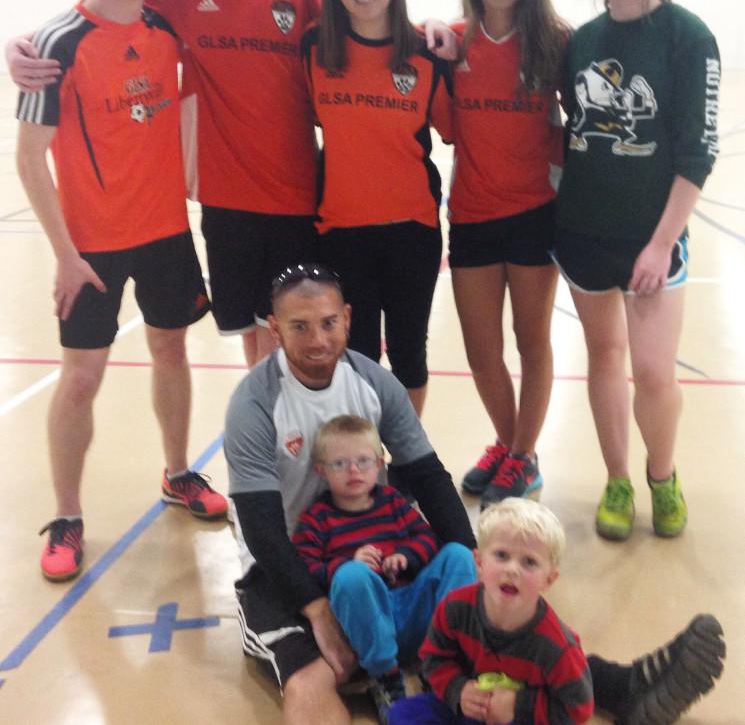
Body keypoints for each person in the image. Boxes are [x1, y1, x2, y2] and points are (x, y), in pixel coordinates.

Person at [223, 263, 724, 725]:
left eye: (328, 322)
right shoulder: (255, 402)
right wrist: (316, 610)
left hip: (378, 554)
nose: (317, 339)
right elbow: (262, 528)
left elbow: (428, 476)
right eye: (300, 327)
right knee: (314, 675)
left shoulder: (372, 382)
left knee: (496, 618)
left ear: (348, 319)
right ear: (274, 328)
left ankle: (625, 687)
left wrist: (473, 561)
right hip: (290, 570)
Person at [7, 0, 321, 368]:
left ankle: (296, 447)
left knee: (297, 338)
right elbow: (104, 5)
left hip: (298, 195)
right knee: (254, 338)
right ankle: (268, 447)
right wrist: (22, 45)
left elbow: (372, 32)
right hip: (225, 200)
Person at [14, 0, 227, 583]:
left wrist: (193, 175)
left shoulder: (168, 31)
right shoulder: (56, 43)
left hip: (166, 233)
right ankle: (68, 515)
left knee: (171, 352)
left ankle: (176, 473)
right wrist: (66, 256)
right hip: (92, 249)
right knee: (80, 379)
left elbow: (194, 96)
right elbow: (28, 155)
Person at [552, 0, 720, 541]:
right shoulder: (581, 43)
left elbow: (695, 154)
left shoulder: (688, 37)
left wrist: (660, 245)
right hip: (583, 233)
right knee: (603, 356)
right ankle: (617, 479)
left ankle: (661, 474)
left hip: (651, 240)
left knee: (652, 372)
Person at [301, 0, 452, 416]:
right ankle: (363, 468)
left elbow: (455, 130)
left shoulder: (427, 53)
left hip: (412, 228)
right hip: (341, 231)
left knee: (409, 354)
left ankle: (406, 462)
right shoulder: (313, 50)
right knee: (356, 356)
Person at [449, 0, 566, 508]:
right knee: (480, 347)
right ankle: (509, 439)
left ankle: (522, 455)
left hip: (533, 215)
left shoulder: (556, 41)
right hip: (471, 213)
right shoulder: (450, 41)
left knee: (531, 340)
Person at [293, 415, 476, 722]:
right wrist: (347, 565)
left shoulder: (392, 501)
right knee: (352, 577)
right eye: (340, 464)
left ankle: (443, 659)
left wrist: (407, 556)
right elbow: (306, 566)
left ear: (379, 464)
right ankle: (385, 677)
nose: (353, 470)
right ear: (321, 471)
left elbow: (426, 538)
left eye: (363, 461)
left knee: (457, 555)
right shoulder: (317, 519)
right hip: (368, 626)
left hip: (414, 612)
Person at [389, 498, 594, 724]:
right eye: (501, 555)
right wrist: (458, 690)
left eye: (529, 562)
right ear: (479, 561)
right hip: (465, 703)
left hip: (516, 719)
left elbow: (578, 709)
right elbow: (433, 658)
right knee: (401, 714)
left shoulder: (558, 647)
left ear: (549, 579)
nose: (512, 569)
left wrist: (518, 706)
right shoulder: (454, 607)